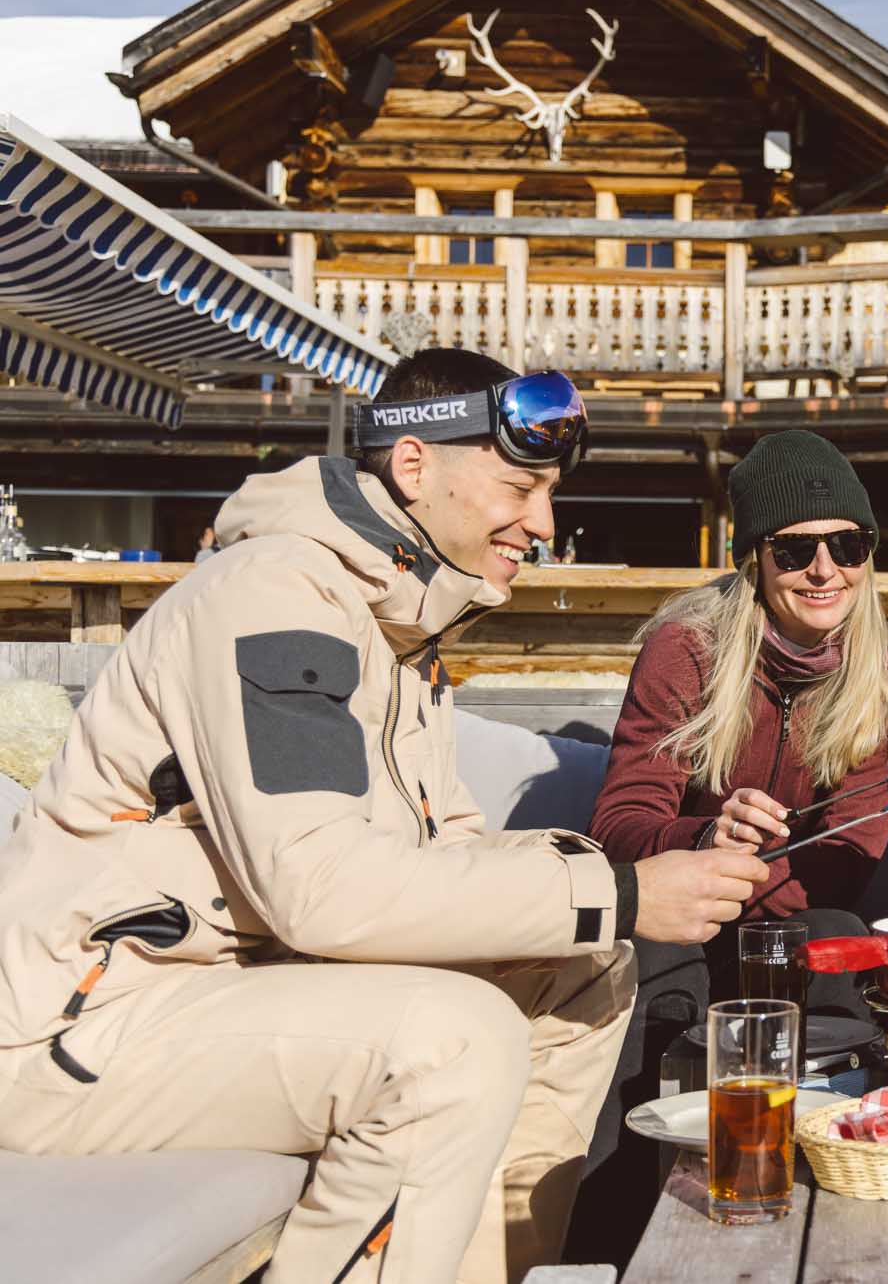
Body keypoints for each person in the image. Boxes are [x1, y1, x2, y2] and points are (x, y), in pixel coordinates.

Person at [0, 347, 768, 1284]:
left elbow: (438, 858)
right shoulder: (276, 598)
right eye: (520, 486)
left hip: (226, 987)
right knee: (451, 1042)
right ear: (414, 467)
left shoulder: (402, 637)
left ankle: (491, 1271)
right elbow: (320, 891)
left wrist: (622, 881)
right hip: (77, 1028)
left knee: (581, 967)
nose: (544, 523)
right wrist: (617, 888)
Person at [591, 428, 888, 1020]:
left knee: (835, 936)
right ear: (755, 560)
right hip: (680, 910)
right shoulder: (686, 651)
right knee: (657, 956)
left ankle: (833, 1109)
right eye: (794, 550)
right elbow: (619, 829)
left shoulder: (882, 676)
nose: (825, 571)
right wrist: (708, 839)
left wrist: (746, 881)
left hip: (793, 918)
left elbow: (847, 857)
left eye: (848, 545)